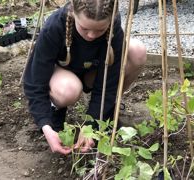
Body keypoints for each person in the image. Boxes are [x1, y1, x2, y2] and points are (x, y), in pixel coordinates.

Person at [23, 0, 146, 155]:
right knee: (69, 89)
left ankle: (106, 112)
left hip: (91, 73)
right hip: (63, 75)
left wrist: (91, 125)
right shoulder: (54, 27)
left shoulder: (114, 31)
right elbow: (35, 82)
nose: (91, 35)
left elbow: (108, 84)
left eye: (100, 30)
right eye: (85, 28)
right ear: (73, 13)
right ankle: (56, 110)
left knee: (137, 51)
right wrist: (45, 125)